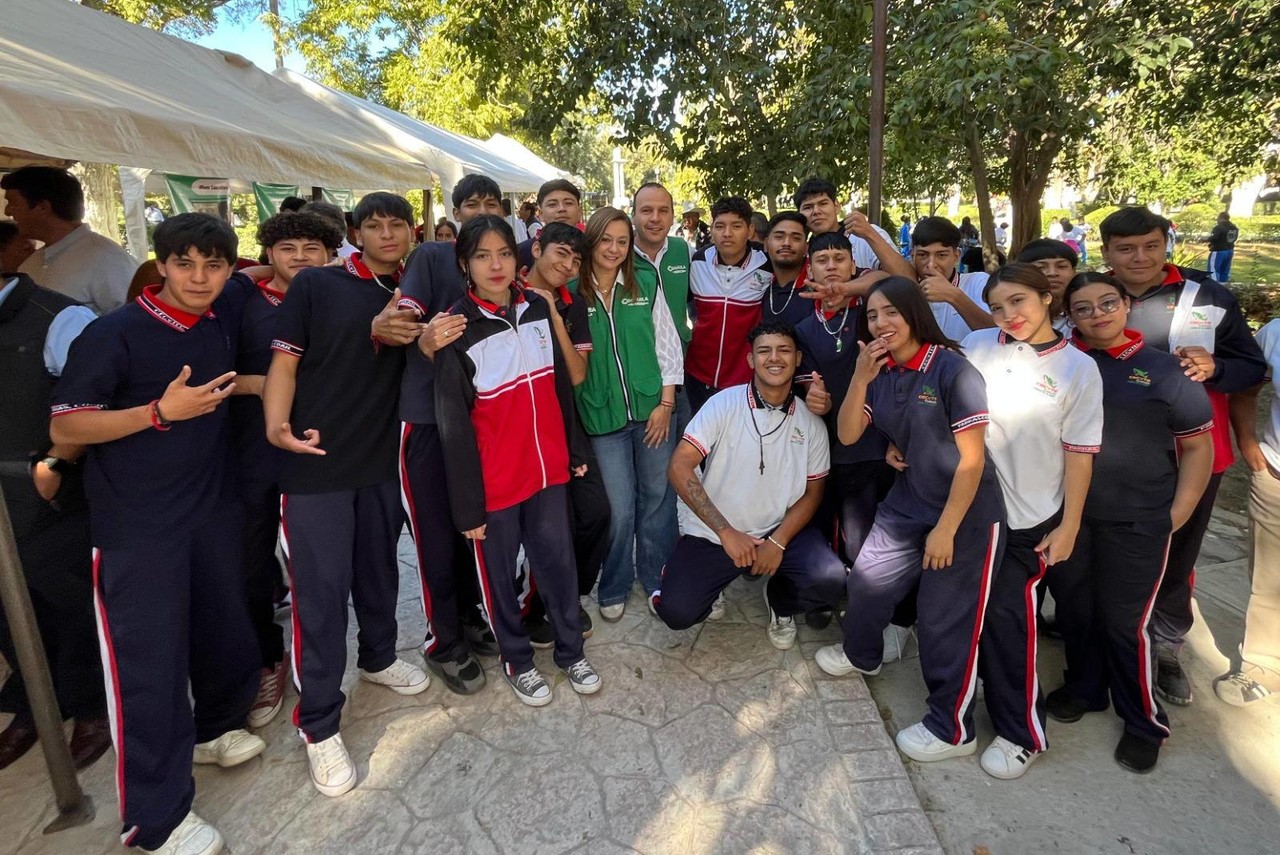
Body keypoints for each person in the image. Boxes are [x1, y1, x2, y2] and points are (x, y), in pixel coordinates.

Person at [50, 213, 265, 854]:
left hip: (212, 511)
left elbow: (273, 276)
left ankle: (213, 730)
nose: (199, 278)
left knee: (225, 630)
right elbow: (66, 429)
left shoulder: (221, 316)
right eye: (185, 264)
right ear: (161, 264)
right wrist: (157, 412)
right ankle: (156, 818)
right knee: (152, 669)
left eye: (214, 265)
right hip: (139, 528)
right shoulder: (112, 335)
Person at [264, 192, 430, 799]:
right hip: (316, 462)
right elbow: (284, 362)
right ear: (355, 233)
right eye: (373, 225)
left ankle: (380, 657)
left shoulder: (419, 288)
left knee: (378, 571)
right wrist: (275, 425)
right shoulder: (318, 287)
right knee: (322, 595)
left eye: (397, 224)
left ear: (412, 232)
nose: (387, 234)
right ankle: (320, 724)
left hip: (382, 462)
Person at [815, 276, 1006, 767]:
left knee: (945, 620)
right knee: (868, 580)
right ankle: (863, 653)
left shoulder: (952, 370)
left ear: (915, 314)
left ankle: (952, 726)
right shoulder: (880, 370)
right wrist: (859, 378)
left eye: (891, 313)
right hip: (909, 500)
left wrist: (946, 529)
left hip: (964, 512)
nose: (881, 323)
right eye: (872, 316)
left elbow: (972, 460)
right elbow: (850, 432)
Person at [1046, 272, 1214, 774]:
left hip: (1139, 519)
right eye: (1083, 308)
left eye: (1107, 303)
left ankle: (1143, 720)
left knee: (1125, 623)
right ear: (1069, 316)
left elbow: (1198, 446)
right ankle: (1085, 687)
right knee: (1075, 610)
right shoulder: (1062, 365)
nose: (1098, 314)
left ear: (1124, 305)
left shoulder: (1165, 370)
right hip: (1068, 517)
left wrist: (1177, 512)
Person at [1099, 206, 1266, 706]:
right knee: (1105, 551)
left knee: (1176, 552)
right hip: (1109, 455)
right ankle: (1102, 637)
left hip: (1191, 455)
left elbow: (1252, 369)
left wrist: (1216, 367)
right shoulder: (1089, 298)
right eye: (1126, 249)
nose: (1140, 258)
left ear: (1166, 242)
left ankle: (1166, 646)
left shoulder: (1208, 297)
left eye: (1151, 245)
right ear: (1107, 252)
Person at [434, 215, 601, 705]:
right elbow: (453, 424)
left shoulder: (536, 309)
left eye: (504, 253)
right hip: (495, 481)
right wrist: (468, 507)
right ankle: (517, 658)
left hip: (547, 470)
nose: (495, 265)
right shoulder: (456, 328)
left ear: (519, 256)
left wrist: (572, 453)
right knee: (499, 577)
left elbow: (558, 392)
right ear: (465, 264)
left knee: (558, 564)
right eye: (482, 256)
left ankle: (571, 651)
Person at [960, 263, 1104, 780]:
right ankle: (960, 705)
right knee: (968, 615)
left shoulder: (1078, 370)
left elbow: (1081, 455)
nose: (1008, 315)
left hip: (1030, 518)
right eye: (998, 306)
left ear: (1047, 298)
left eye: (1018, 301)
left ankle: (1022, 732)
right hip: (970, 510)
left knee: (1009, 624)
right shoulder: (976, 345)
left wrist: (1068, 526)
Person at [375, 174, 504, 697]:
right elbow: (404, 313)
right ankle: (441, 640)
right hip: (427, 418)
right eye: (469, 204)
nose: (479, 211)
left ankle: (471, 616)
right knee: (432, 535)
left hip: (479, 420)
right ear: (456, 212)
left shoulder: (505, 261)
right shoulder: (433, 257)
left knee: (470, 526)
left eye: (490, 203)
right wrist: (412, 329)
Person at [653, 321, 845, 648]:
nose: (775, 358)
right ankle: (706, 585)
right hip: (718, 532)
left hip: (775, 529)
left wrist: (779, 541)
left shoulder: (811, 424)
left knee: (830, 581)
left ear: (798, 358)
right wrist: (726, 532)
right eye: (764, 351)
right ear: (750, 360)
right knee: (677, 613)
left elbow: (814, 493)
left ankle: (780, 601)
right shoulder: (723, 404)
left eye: (784, 350)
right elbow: (679, 465)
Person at [230, 211, 343, 730]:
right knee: (252, 560)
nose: (300, 257)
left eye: (312, 248)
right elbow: (215, 367)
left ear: (330, 253)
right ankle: (265, 660)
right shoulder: (241, 298)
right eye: (288, 247)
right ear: (268, 252)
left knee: (317, 565)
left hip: (322, 447)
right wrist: (267, 385)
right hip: (252, 450)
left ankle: (319, 658)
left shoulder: (333, 295)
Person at [0, 267, 108, 773]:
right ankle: (35, 700)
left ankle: (92, 705)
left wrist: (55, 463)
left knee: (67, 598)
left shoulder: (59, 316)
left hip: (47, 489)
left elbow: (94, 398)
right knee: (6, 608)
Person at [573, 207, 683, 620]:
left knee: (657, 496)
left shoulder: (645, 282)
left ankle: (656, 577)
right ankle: (615, 582)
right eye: (606, 240)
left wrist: (666, 404)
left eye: (623, 241)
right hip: (601, 418)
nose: (615, 249)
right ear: (592, 241)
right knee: (618, 507)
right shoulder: (572, 291)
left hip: (652, 408)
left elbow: (667, 344)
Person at [520, 222, 610, 647]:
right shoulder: (507, 290)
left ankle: (568, 594)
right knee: (543, 527)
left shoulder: (572, 304)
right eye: (561, 253)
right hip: (518, 430)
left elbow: (577, 374)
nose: (567, 264)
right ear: (536, 247)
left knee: (595, 513)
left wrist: (554, 313)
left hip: (566, 426)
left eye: (576, 260)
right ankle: (534, 609)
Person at [793, 233, 893, 575]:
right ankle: (827, 593)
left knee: (866, 535)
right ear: (810, 268)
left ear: (854, 265)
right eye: (822, 260)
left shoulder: (874, 311)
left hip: (878, 443)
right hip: (827, 443)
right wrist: (814, 397)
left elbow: (895, 279)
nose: (832, 266)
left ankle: (871, 595)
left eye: (839, 259)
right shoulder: (805, 327)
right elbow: (807, 380)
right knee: (826, 523)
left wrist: (849, 291)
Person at [1219, 318, 1280, 705]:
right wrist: (1247, 442)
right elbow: (1245, 386)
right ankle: (1261, 664)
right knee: (1270, 577)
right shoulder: (1275, 332)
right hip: (1276, 473)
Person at [1, 167, 136, 315]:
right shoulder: (31, 264)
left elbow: (134, 324)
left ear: (42, 207)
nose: (8, 211)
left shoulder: (107, 258)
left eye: (13, 203)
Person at [685, 197, 772, 412]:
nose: (727, 233)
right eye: (720, 226)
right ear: (712, 229)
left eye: (736, 226)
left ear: (750, 230)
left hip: (744, 378)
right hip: (697, 376)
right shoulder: (698, 261)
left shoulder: (767, 267)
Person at [631, 182, 694, 434]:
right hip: (640, 374)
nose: (655, 218)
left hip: (681, 372)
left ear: (672, 216)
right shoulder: (618, 254)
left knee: (685, 448)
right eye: (647, 210)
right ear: (634, 214)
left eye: (663, 210)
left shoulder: (683, 251)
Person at [792, 178, 915, 278]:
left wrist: (869, 234)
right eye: (808, 207)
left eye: (823, 204)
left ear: (836, 206)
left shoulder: (866, 234)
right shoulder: (800, 251)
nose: (816, 211)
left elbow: (908, 279)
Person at [910, 216, 996, 340]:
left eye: (941, 255)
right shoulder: (906, 290)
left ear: (956, 256)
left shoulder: (977, 283)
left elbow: (998, 336)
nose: (931, 264)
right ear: (912, 255)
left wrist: (954, 296)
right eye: (923, 255)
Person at [760, 211, 814, 330]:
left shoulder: (817, 285)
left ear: (806, 248)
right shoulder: (757, 285)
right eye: (779, 237)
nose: (786, 243)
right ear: (766, 244)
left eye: (796, 238)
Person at [518, 179, 582, 270]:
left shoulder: (591, 250)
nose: (561, 209)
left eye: (568, 203)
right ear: (541, 214)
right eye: (552, 204)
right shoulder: (521, 252)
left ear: (579, 211)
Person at [1016, 238, 1079, 331]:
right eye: (1041, 267)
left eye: (1061, 266)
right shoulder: (1015, 315)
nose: (1052, 273)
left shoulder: (1088, 312)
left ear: (1073, 272)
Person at [1207, 212, 1239, 284]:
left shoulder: (1219, 227)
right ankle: (1224, 285)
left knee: (1214, 269)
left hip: (1219, 250)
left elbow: (1214, 238)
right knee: (1225, 270)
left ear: (1221, 218)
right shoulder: (1234, 227)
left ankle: (1214, 286)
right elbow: (1235, 238)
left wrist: (1208, 239)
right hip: (1230, 250)